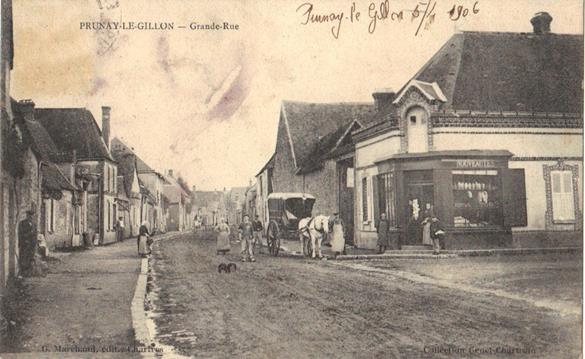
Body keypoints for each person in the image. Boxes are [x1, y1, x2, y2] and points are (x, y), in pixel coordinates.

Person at [18, 209, 37, 276]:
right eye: (29, 216)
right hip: (25, 244)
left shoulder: (34, 224)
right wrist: (29, 234)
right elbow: (21, 234)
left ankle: (29, 273)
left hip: (32, 244)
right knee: (24, 258)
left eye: (32, 216)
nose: (31, 217)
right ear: (27, 216)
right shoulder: (22, 223)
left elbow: (35, 235)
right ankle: (23, 273)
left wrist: (35, 244)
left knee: (31, 257)